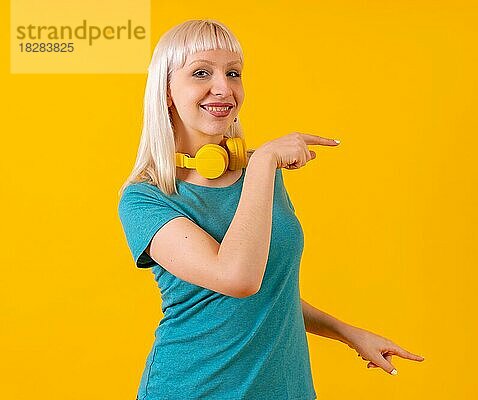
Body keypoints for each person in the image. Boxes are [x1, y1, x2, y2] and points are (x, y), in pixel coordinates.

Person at [117, 19, 424, 400]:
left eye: (233, 73)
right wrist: (263, 162)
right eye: (201, 73)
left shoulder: (260, 177)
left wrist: (348, 333)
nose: (224, 88)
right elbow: (238, 278)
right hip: (196, 388)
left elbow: (272, 289)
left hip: (285, 389)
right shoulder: (145, 199)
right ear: (166, 92)